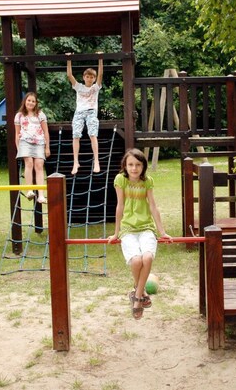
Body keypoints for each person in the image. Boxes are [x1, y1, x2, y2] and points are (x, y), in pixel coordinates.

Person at [108, 148, 172, 320]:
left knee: (148, 257)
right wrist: (116, 233)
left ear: (143, 166)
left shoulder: (147, 181)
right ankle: (141, 292)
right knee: (136, 260)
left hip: (146, 227)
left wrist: (162, 232)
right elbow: (120, 206)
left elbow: (153, 206)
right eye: (130, 164)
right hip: (128, 228)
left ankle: (137, 297)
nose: (134, 168)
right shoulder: (120, 179)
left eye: (138, 164)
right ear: (125, 166)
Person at [66, 53, 103, 174]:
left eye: (92, 77)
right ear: (84, 77)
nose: (89, 79)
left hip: (91, 112)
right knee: (75, 135)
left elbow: (100, 74)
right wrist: (69, 59)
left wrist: (100, 59)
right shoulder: (79, 87)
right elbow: (69, 75)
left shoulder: (95, 88)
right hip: (79, 113)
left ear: (94, 79)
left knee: (93, 134)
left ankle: (96, 160)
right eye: (87, 76)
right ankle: (75, 162)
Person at [14, 92, 51, 204]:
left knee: (39, 165)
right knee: (29, 162)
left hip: (39, 142)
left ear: (36, 103)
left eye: (33, 101)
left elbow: (45, 131)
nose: (31, 103)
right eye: (29, 100)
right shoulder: (19, 115)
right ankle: (29, 190)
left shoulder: (40, 114)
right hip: (25, 141)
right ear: (25, 101)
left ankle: (41, 195)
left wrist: (47, 147)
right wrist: (18, 148)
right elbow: (17, 133)